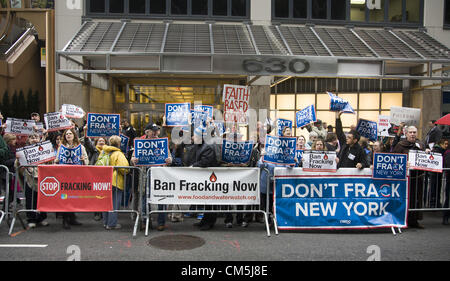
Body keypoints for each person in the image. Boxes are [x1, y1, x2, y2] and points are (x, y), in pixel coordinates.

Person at [131, 123, 172, 231]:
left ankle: (161, 222)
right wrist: (133, 160)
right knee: (144, 198)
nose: (155, 133)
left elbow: (169, 157)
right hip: (145, 174)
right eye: (153, 130)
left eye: (157, 130)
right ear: (147, 132)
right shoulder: (140, 143)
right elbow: (133, 158)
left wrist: (169, 160)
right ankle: (145, 221)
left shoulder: (162, 143)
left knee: (161, 197)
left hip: (159, 175)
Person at [392, 126, 428, 229]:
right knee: (405, 198)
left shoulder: (420, 145)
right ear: (406, 134)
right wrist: (404, 163)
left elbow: (426, 159)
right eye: (410, 132)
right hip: (405, 179)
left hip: (418, 177)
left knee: (416, 199)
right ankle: (404, 220)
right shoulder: (400, 145)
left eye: (414, 132)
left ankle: (414, 221)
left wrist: (427, 152)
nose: (413, 134)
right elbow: (394, 159)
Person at [55, 128, 89, 229]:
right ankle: (65, 220)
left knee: (73, 197)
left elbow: (86, 160)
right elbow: (56, 160)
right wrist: (57, 160)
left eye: (70, 134)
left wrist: (83, 160)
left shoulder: (80, 147)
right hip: (64, 176)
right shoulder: (61, 147)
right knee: (65, 198)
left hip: (75, 176)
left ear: (74, 135)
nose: (68, 135)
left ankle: (72, 217)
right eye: (67, 134)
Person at [14, 133, 49, 228]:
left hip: (42, 178)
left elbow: (50, 162)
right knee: (30, 198)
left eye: (36, 137)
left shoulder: (45, 149)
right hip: (29, 178)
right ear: (28, 140)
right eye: (31, 138)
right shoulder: (23, 151)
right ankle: (31, 218)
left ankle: (42, 218)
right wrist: (18, 160)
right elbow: (17, 165)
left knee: (42, 199)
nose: (34, 139)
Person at [191, 126, 219, 231]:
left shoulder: (207, 146)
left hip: (210, 177)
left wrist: (193, 166)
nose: (193, 137)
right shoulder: (201, 145)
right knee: (207, 200)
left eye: (195, 135)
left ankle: (210, 222)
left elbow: (205, 161)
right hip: (206, 177)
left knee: (211, 201)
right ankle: (205, 220)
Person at [101, 135, 130, 230]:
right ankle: (112, 224)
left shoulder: (103, 152)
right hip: (115, 180)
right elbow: (124, 168)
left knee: (106, 203)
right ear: (119, 143)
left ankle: (105, 222)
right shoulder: (118, 154)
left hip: (104, 180)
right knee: (114, 203)